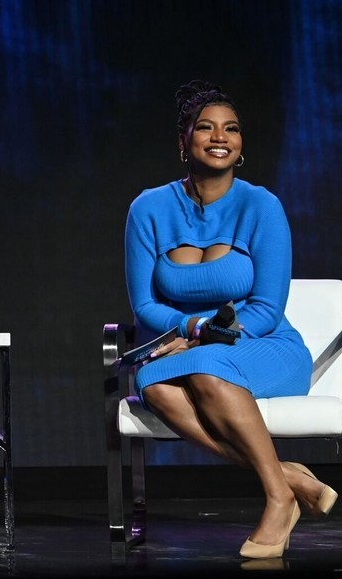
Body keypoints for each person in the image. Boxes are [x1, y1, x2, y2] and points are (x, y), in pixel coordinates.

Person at [124, 80, 336, 560]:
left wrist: (206, 338)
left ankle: (278, 498)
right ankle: (285, 476)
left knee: (204, 369)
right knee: (152, 382)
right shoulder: (148, 209)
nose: (220, 137)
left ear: (240, 144)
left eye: (232, 129)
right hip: (196, 348)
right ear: (184, 142)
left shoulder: (262, 206)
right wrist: (194, 330)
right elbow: (145, 306)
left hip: (267, 347)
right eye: (206, 127)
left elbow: (266, 310)